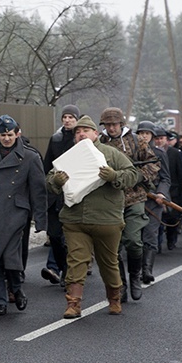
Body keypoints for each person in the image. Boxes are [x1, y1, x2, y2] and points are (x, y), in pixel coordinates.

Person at [47, 115, 139, 317]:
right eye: (77, 132)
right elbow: (49, 181)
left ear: (96, 134)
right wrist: (56, 180)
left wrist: (114, 176)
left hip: (107, 219)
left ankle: (114, 299)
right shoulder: (68, 157)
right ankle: (73, 304)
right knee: (76, 261)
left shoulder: (111, 154)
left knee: (108, 262)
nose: (81, 134)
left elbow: (133, 174)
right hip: (75, 219)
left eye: (85, 130)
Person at [0, 115, 47, 315]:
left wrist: (40, 219)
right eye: (3, 135)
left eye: (10, 135)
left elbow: (38, 190)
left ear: (18, 134)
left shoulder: (30, 157)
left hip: (16, 213)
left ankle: (17, 289)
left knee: (10, 256)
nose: (6, 138)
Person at [99, 107, 159, 303]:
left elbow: (153, 163)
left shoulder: (136, 141)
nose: (111, 128)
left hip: (134, 197)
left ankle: (135, 276)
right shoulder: (98, 143)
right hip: (109, 200)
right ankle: (120, 284)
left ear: (122, 124)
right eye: (107, 125)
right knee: (112, 248)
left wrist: (138, 176)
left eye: (114, 124)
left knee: (133, 241)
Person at [41, 104, 80, 286]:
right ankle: (62, 266)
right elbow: (47, 165)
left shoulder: (81, 140)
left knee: (70, 238)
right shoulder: (55, 139)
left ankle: (69, 273)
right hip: (56, 196)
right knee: (55, 236)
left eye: (71, 117)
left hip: (75, 194)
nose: (67, 120)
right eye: (65, 117)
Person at [135, 122, 170, 285]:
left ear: (153, 137)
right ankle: (135, 271)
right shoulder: (132, 154)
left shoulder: (160, 154)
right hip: (134, 199)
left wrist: (161, 193)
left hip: (154, 200)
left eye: (147, 134)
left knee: (150, 236)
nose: (143, 136)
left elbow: (165, 178)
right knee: (134, 238)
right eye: (141, 133)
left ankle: (147, 270)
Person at [154, 126, 182, 251]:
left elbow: (181, 173)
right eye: (156, 138)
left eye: (161, 138)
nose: (159, 141)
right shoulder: (150, 152)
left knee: (172, 217)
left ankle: (171, 239)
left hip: (173, 190)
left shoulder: (175, 153)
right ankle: (157, 243)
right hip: (157, 190)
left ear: (166, 139)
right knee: (158, 217)